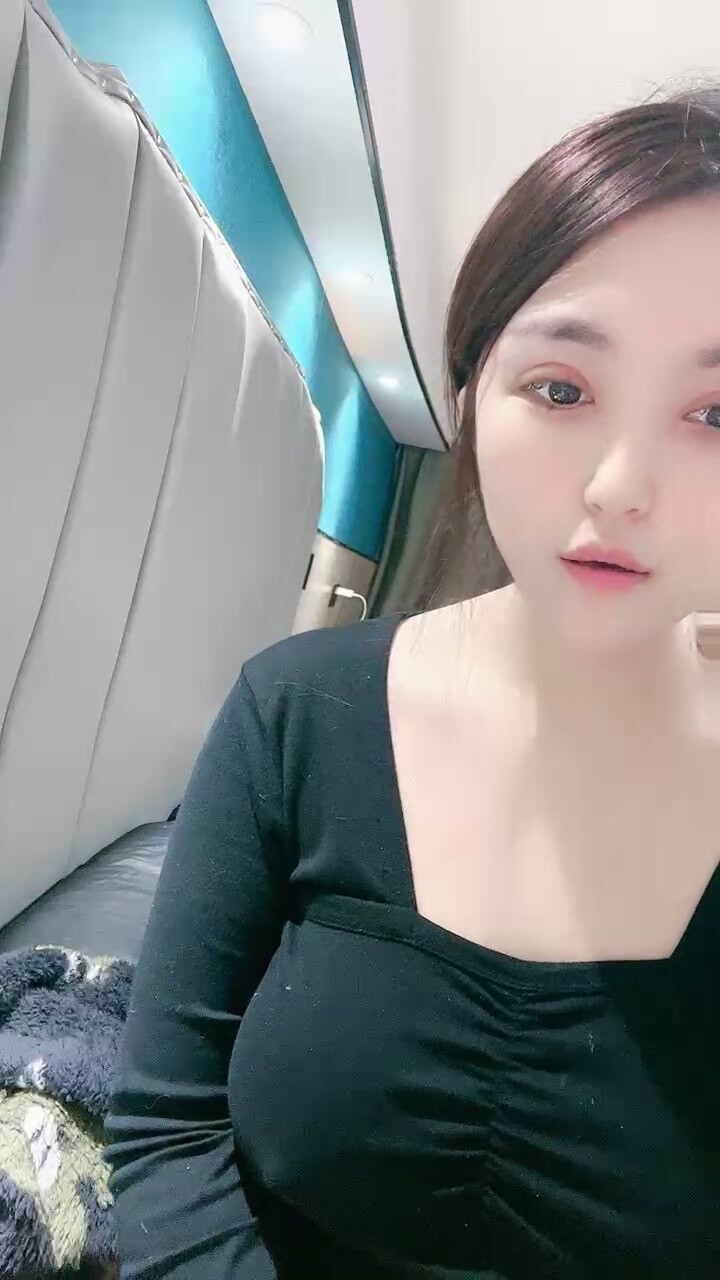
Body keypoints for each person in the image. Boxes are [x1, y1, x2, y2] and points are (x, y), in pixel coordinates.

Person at [106, 87, 720, 1279]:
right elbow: (167, 1125)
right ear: (472, 393)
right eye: (562, 389)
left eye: (717, 410)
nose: (620, 486)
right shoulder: (297, 711)